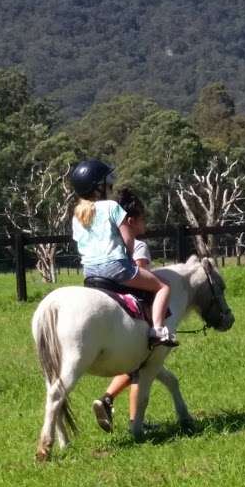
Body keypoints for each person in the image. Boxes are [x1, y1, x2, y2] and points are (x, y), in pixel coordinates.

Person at [71, 160, 177, 355]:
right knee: (163, 286)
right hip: (116, 268)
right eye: (108, 184)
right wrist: (128, 259)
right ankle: (158, 331)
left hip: (89, 272)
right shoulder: (112, 206)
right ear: (98, 188)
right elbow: (129, 241)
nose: (110, 188)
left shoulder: (76, 216)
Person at [92, 187, 156, 434]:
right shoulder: (138, 246)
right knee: (143, 362)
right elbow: (142, 276)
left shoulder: (107, 243)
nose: (145, 223)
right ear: (131, 220)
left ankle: (107, 399)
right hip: (132, 302)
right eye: (142, 218)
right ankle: (133, 422)